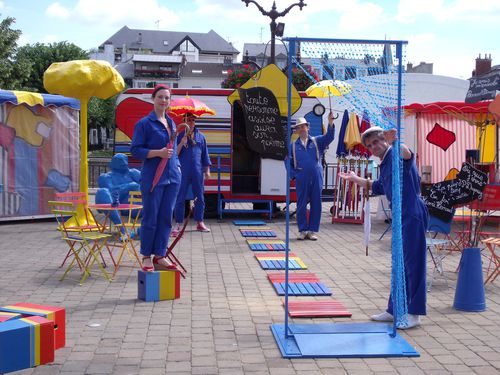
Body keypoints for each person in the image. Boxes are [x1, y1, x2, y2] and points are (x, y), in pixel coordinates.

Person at [339, 126, 428, 329]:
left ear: (385, 140)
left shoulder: (395, 154)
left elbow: (407, 155)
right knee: (399, 264)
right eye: (370, 145)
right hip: (399, 217)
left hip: (412, 214)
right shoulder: (385, 162)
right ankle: (394, 308)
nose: (374, 147)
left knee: (414, 265)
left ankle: (414, 313)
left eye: (377, 142)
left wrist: (395, 142)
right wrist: (355, 179)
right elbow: (378, 186)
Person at [131, 84, 181, 272]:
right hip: (153, 178)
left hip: (172, 178)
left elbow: (172, 151)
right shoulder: (144, 123)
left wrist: (177, 165)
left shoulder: (172, 123)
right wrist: (157, 153)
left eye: (167, 98)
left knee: (166, 217)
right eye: (160, 97)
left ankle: (160, 254)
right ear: (153, 99)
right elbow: (136, 150)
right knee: (150, 217)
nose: (164, 101)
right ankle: (146, 256)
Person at [291, 113, 335, 240]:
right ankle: (303, 230)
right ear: (296, 130)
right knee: (301, 204)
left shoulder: (317, 141)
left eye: (303, 126)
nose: (301, 129)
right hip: (302, 177)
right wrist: (294, 175)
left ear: (307, 127)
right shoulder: (293, 145)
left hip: (316, 176)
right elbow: (287, 161)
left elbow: (329, 137)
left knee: (316, 203)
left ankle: (312, 231)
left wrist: (330, 122)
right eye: (298, 127)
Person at [95, 153, 141, 228]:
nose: (123, 163)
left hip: (138, 206)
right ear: (112, 163)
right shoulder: (106, 177)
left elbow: (149, 185)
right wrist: (130, 186)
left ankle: (142, 231)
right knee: (102, 192)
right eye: (119, 161)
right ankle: (122, 230)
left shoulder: (134, 173)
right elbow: (110, 193)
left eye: (124, 160)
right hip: (117, 205)